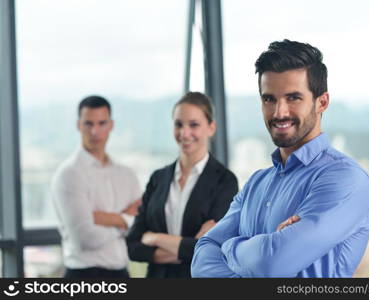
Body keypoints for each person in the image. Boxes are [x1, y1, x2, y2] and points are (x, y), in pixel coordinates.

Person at [191, 40, 369, 278]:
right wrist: (258, 250)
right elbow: (200, 261)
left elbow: (270, 265)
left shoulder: (345, 179)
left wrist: (229, 245)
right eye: (269, 99)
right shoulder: (256, 183)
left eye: (293, 98)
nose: (279, 112)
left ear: (322, 102)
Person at [126, 92, 238, 278]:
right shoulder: (158, 178)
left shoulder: (225, 182)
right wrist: (187, 247)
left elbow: (212, 250)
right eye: (179, 124)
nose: (184, 133)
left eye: (194, 125)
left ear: (211, 128)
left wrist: (155, 238)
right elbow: (133, 246)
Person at [51, 95, 141, 278]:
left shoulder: (127, 175)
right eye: (88, 124)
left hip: (122, 274)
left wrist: (104, 219)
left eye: (101, 123)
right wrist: (125, 218)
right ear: (79, 125)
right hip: (83, 276)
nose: (95, 131)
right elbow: (86, 239)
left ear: (111, 125)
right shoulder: (69, 174)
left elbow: (140, 228)